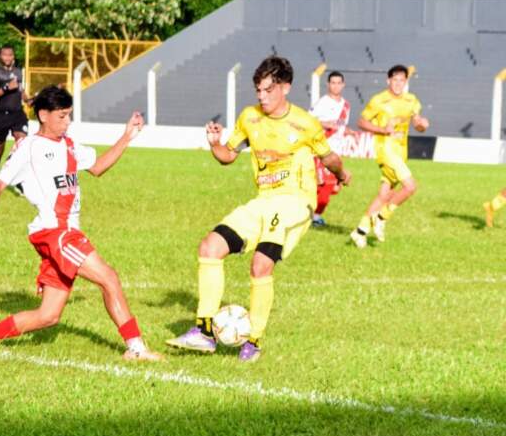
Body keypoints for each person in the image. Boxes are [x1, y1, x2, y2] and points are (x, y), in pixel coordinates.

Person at [0, 85, 162, 362]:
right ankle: (136, 348)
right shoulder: (29, 148)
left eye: (69, 115)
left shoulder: (69, 145)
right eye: (62, 116)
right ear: (43, 115)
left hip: (66, 233)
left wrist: (127, 136)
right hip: (56, 233)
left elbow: (98, 167)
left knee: (48, 316)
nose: (67, 122)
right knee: (109, 277)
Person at [166, 56, 351, 362]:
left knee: (260, 265)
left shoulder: (305, 123)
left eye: (268, 90)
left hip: (296, 202)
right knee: (210, 247)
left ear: (286, 87)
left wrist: (342, 175)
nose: (262, 97)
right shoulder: (249, 118)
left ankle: (253, 341)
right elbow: (228, 155)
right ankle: (203, 332)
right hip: (263, 200)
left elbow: (329, 158)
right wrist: (215, 144)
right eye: (259, 91)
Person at [350, 65, 429, 248]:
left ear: (406, 82)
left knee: (385, 194)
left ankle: (360, 231)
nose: (398, 84)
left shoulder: (411, 100)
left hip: (401, 151)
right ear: (388, 81)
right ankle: (382, 217)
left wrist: (421, 125)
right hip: (385, 149)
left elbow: (417, 123)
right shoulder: (379, 100)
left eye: (402, 80)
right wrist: (382, 130)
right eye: (395, 80)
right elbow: (361, 121)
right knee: (410, 186)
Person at [0, 45, 32, 187]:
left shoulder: (18, 72)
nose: (7, 57)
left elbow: (19, 89)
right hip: (0, 116)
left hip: (18, 114)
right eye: (4, 55)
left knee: (22, 143)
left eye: (10, 55)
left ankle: (17, 180)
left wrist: (28, 99)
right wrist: (5, 88)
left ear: (13, 57)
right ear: (0, 56)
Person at [309, 70, 351, 227]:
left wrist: (346, 130)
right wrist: (325, 124)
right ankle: (315, 216)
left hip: (337, 150)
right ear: (328, 85)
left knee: (334, 187)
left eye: (339, 83)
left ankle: (310, 213)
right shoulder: (322, 102)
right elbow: (309, 120)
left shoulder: (346, 105)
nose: (336, 86)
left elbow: (340, 125)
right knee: (326, 184)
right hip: (323, 150)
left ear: (343, 85)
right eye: (333, 83)